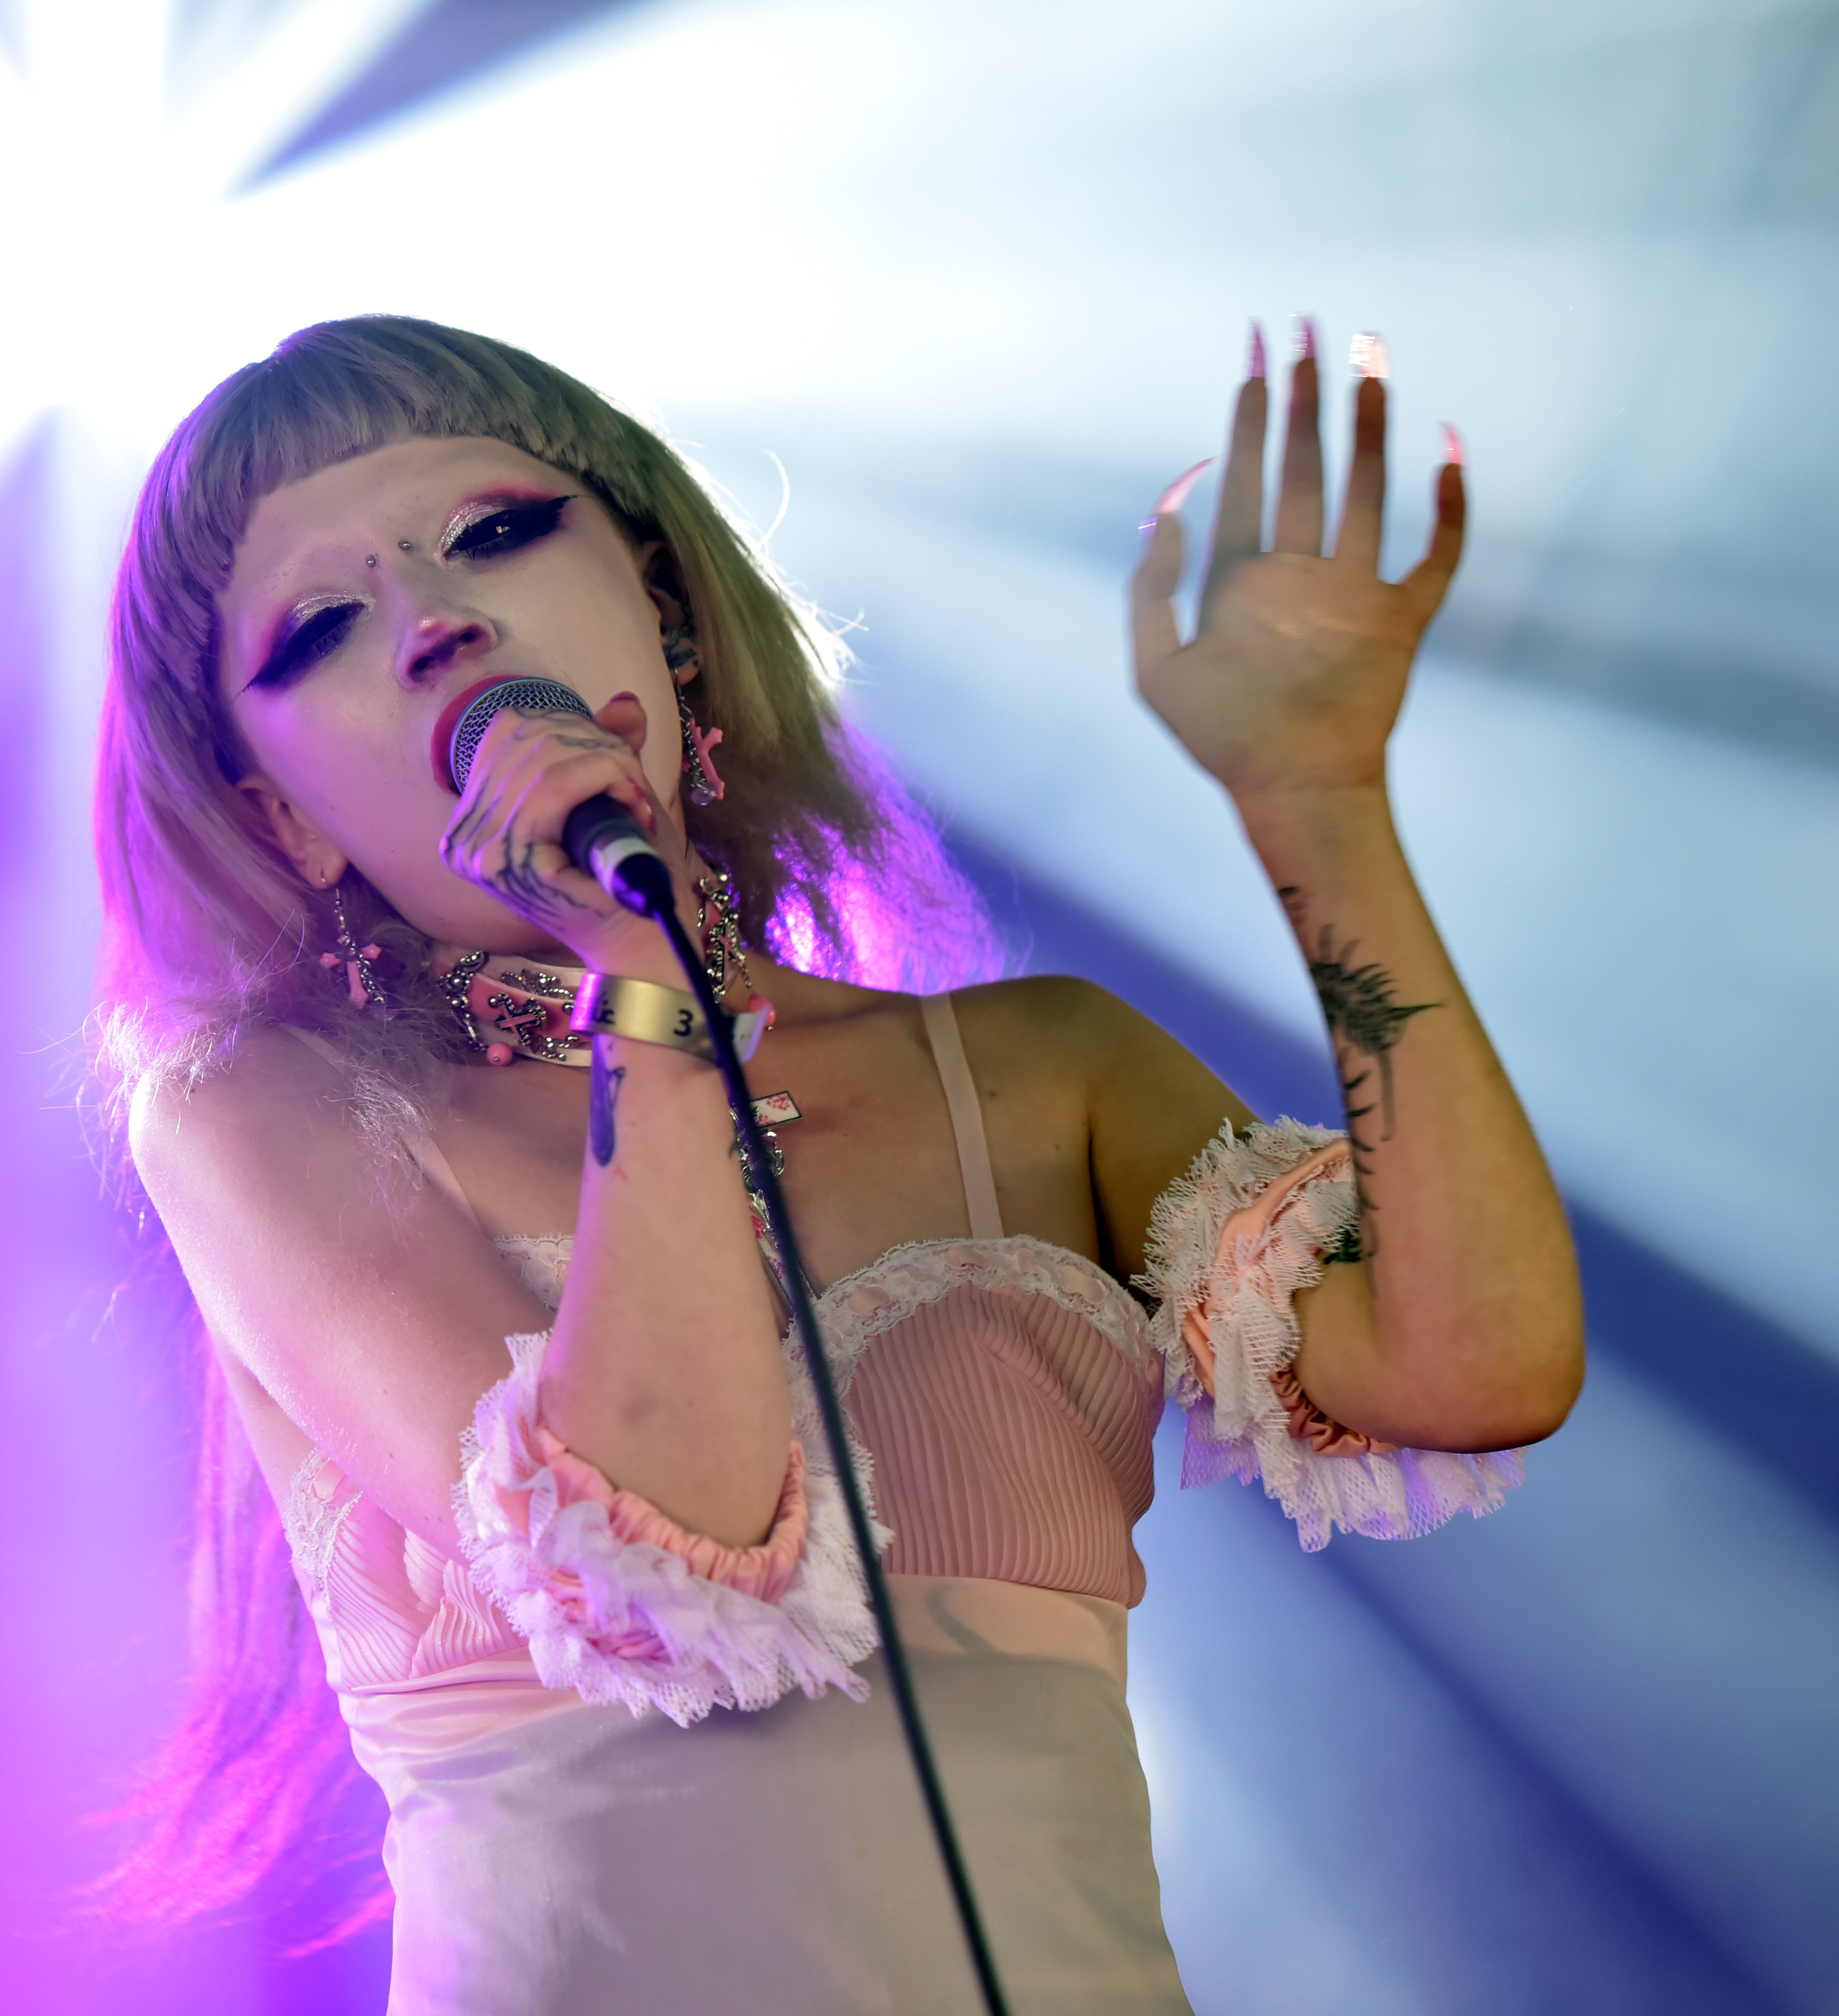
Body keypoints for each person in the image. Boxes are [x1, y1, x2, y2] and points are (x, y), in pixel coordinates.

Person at [92, 314, 1582, 2013]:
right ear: (276, 811)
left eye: (494, 531)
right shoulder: (255, 1114)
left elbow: (1476, 1365)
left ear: (665, 604)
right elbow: (674, 1539)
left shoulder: (1037, 1068)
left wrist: (1317, 798)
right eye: (324, 624)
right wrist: (633, 987)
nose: (436, 619)